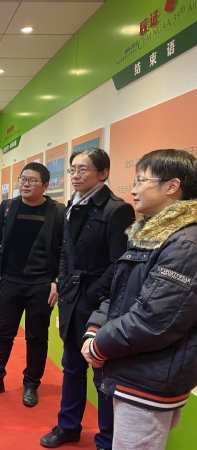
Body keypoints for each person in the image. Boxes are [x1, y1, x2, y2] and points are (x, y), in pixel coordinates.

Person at [82, 149, 197, 450]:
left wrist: (98, 345)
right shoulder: (152, 232)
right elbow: (120, 294)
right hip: (135, 369)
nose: (133, 189)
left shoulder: (185, 243)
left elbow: (154, 320)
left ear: (172, 186)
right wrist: (95, 328)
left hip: (149, 377)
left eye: (141, 180)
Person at [40, 148, 135, 450]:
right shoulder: (73, 204)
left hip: (99, 305)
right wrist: (64, 284)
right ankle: (68, 427)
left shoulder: (117, 210)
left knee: (102, 375)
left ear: (103, 173)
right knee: (71, 368)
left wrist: (93, 293)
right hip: (72, 299)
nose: (75, 175)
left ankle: (106, 439)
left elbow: (119, 263)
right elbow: (65, 252)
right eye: (72, 169)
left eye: (83, 169)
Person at [0, 162, 65, 406]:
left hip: (42, 284)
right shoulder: (8, 207)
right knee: (2, 334)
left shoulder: (58, 212)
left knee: (37, 337)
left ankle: (31, 384)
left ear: (45, 186)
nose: (25, 184)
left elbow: (65, 250)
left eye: (32, 180)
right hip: (10, 282)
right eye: (23, 179)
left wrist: (57, 281)